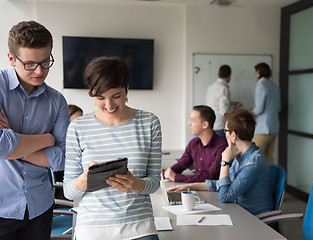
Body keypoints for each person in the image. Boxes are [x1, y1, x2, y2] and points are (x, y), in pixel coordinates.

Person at [63, 56, 162, 240]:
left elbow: (155, 182)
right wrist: (85, 179)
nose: (109, 105)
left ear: (126, 88)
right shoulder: (78, 127)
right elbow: (68, 191)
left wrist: (135, 184)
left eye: (116, 96)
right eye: (100, 98)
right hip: (92, 230)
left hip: (139, 229)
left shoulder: (149, 122)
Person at [0, 21, 69, 240]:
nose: (39, 71)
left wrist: (13, 141)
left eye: (45, 62)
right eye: (29, 64)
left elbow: (63, 158)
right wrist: (47, 139)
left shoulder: (57, 101)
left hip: (40, 207)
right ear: (12, 59)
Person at [167, 109, 273, 216]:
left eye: (225, 131)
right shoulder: (243, 155)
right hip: (238, 210)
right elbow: (220, 184)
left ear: (233, 135)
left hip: (251, 219)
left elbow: (225, 196)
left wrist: (225, 162)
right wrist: (189, 186)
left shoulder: (252, 164)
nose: (224, 134)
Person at [162, 105, 227, 183]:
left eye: (192, 120)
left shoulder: (222, 146)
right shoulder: (193, 143)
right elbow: (181, 164)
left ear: (205, 125)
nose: (188, 123)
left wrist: (176, 177)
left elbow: (211, 176)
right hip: (197, 188)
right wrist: (167, 172)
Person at [251, 63, 281, 164]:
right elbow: (278, 107)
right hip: (274, 128)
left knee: (254, 158)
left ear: (258, 72)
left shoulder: (261, 85)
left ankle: (257, 180)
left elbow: (259, 109)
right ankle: (272, 180)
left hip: (262, 129)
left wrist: (250, 112)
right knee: (269, 160)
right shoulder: (274, 86)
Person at [206, 64, 241, 138]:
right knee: (222, 149)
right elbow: (223, 111)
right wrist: (235, 110)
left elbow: (215, 103)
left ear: (218, 75)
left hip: (210, 124)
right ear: (230, 75)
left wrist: (231, 103)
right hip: (220, 126)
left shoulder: (210, 87)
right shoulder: (224, 88)